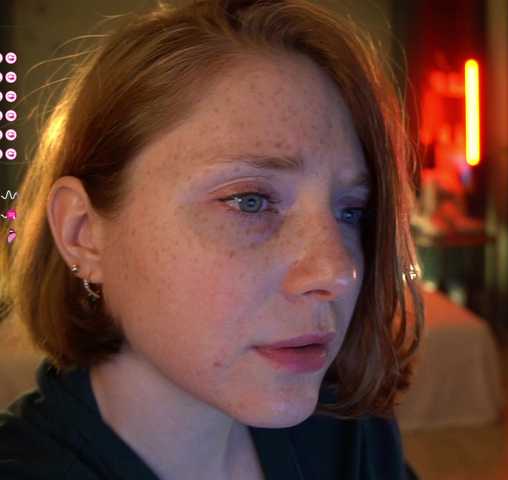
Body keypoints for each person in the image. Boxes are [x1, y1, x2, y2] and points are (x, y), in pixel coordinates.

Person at [0, 0, 424, 478]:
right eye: (250, 201)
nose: (339, 272)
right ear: (83, 233)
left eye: (351, 212)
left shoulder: (350, 432)